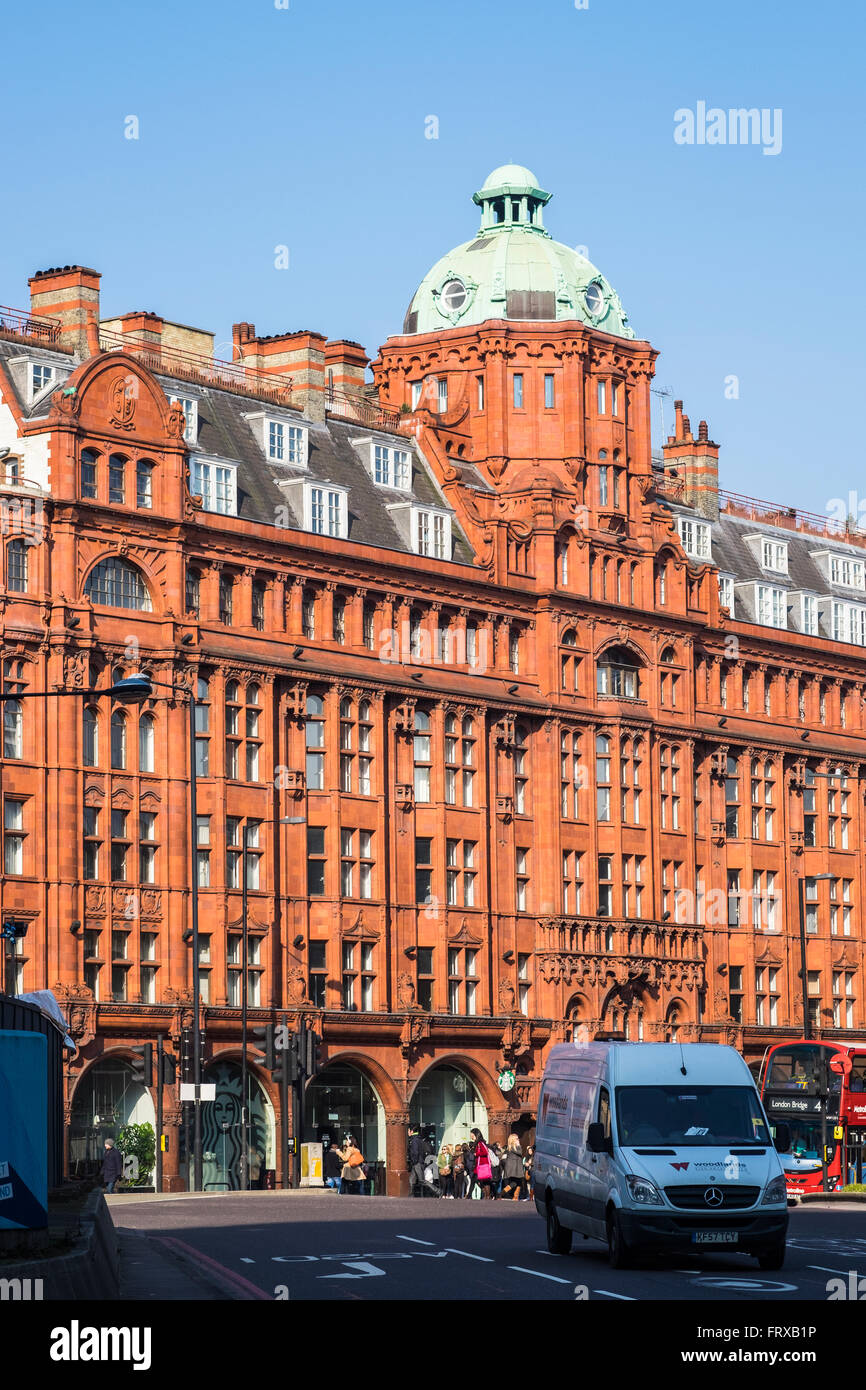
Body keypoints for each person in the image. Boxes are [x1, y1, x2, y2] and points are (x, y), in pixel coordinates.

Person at [408, 1125, 438, 1198]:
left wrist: (414, 1161)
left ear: (411, 1131)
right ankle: (411, 1194)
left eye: (408, 1131)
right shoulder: (419, 1139)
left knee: (422, 1180)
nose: (408, 1132)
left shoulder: (414, 1140)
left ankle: (437, 1191)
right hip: (418, 1162)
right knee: (411, 1179)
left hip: (417, 1162)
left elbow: (415, 1152)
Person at [468, 1128, 494, 1199]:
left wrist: (477, 1154)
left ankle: (488, 1195)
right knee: (480, 1180)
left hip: (482, 1165)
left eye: (472, 1134)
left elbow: (485, 1152)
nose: (471, 1136)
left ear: (476, 1134)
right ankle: (487, 1194)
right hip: (479, 1165)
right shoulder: (478, 1143)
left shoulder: (480, 1143)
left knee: (484, 1180)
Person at [498, 1135, 526, 1200]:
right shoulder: (513, 1147)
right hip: (514, 1169)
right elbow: (520, 1152)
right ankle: (502, 1194)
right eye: (516, 1138)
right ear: (513, 1140)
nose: (518, 1139)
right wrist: (518, 1145)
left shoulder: (514, 1147)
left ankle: (515, 1196)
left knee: (517, 1182)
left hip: (517, 1168)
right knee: (515, 1183)